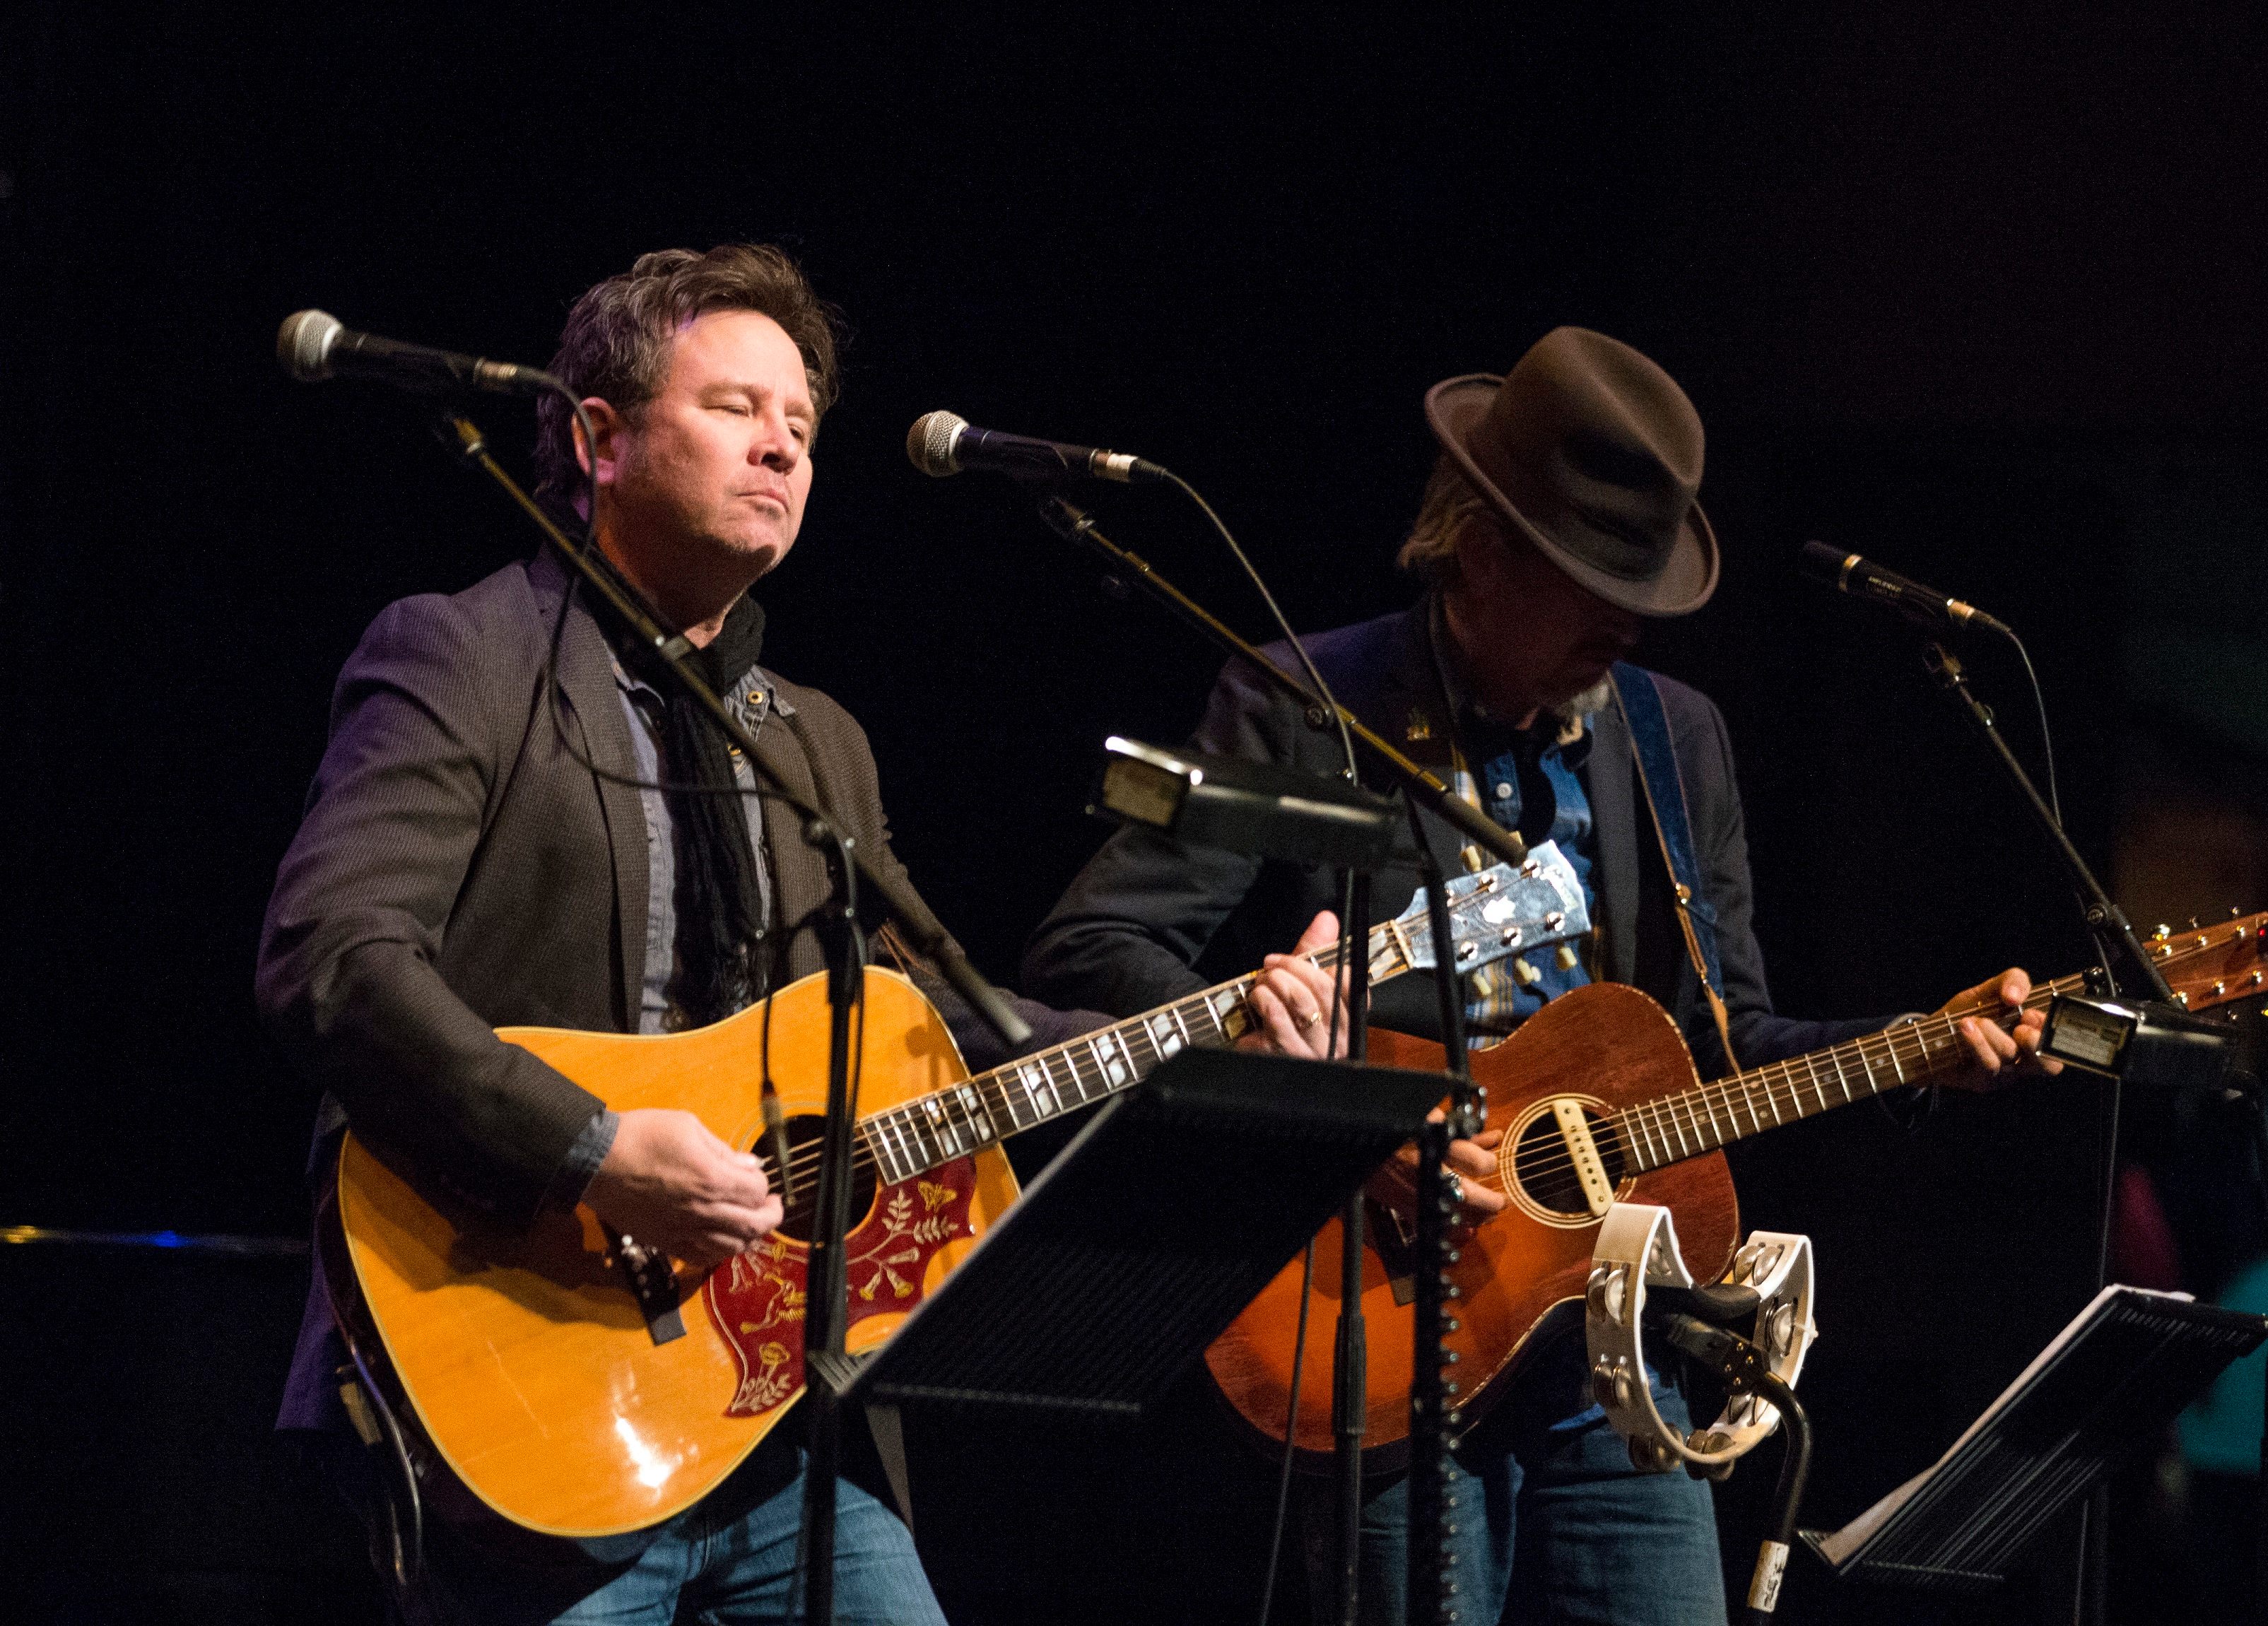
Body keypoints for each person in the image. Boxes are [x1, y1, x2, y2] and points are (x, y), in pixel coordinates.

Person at [257, 245, 1342, 1625]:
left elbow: (948, 1030)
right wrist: (592, 1146)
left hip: (775, 1419)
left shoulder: (811, 738)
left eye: (802, 426)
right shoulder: (457, 658)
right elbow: (334, 959)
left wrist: (1219, 1021)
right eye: (734, 407)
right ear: (599, 434)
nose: (780, 444)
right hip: (530, 1402)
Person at [1018, 326, 2055, 1625]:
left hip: (1616, 1344)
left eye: (1644, 587)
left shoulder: (1676, 738)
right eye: (1586, 577)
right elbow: (1093, 950)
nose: (1623, 621)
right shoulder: (1306, 703)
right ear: (1482, 548)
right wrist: (1336, 1111)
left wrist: (1918, 1046)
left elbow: (1716, 1045)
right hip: (1380, 1317)